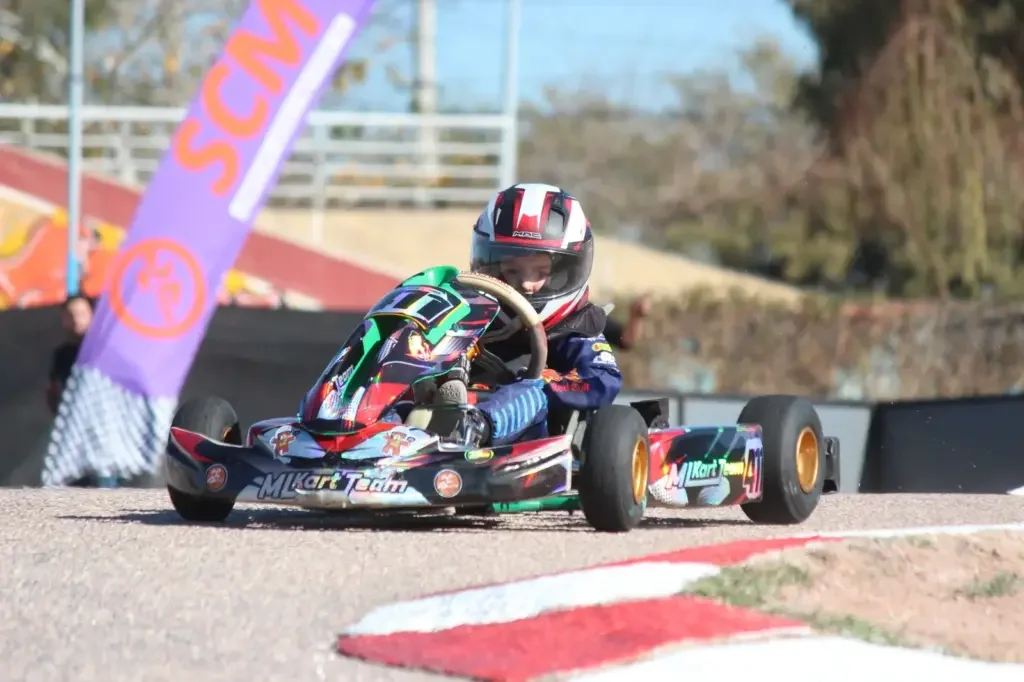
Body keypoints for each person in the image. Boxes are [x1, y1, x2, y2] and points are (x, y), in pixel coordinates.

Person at [463, 183, 623, 446]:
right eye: (513, 271)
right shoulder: (473, 316)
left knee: (533, 388)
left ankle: (474, 429)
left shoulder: (575, 325)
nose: (525, 284)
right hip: (455, 407)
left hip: (531, 439)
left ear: (566, 270)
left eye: (539, 272)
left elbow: (602, 380)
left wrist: (550, 381)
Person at [46, 294, 94, 416]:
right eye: (70, 315)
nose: (76, 319)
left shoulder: (106, 350)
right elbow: (53, 390)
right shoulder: (62, 355)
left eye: (82, 314)